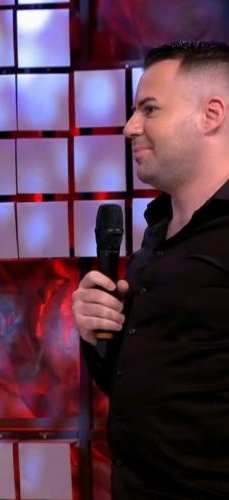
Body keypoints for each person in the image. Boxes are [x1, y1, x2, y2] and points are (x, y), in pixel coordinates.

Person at [72, 40, 229, 499]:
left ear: (211, 115)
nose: (130, 127)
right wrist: (98, 336)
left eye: (150, 109)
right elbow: (142, 392)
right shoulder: (155, 236)